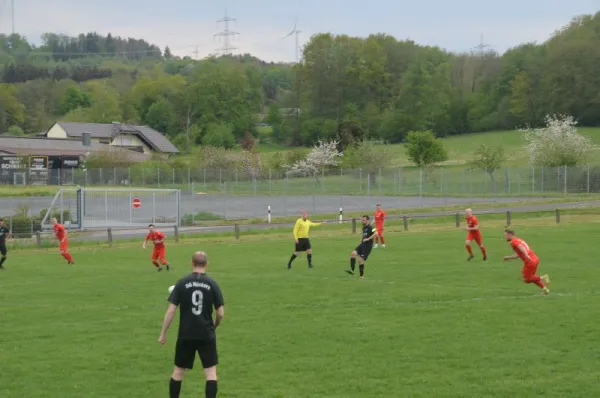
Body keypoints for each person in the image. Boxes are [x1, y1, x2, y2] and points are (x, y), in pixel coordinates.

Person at [159, 251, 225, 398]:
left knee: (178, 372)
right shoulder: (212, 283)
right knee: (210, 373)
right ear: (207, 264)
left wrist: (163, 333)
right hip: (206, 333)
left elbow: (171, 311)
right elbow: (220, 313)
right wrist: (214, 326)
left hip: (186, 333)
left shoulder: (182, 283)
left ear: (191, 263)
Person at [503, 229, 550, 295]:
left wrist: (526, 255)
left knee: (527, 279)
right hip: (535, 259)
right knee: (532, 277)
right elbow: (518, 255)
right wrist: (508, 257)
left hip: (530, 261)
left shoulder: (513, 241)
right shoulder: (519, 240)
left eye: (505, 235)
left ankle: (543, 277)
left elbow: (521, 247)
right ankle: (545, 290)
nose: (505, 237)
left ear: (510, 234)